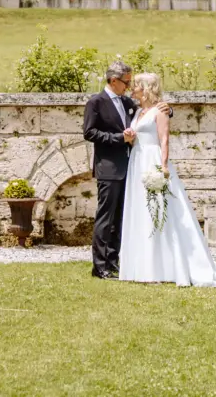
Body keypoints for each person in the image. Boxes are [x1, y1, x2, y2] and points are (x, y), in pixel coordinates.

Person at [119, 73, 216, 287]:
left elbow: (164, 140)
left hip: (152, 160)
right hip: (137, 161)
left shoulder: (159, 111)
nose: (131, 89)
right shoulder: (137, 111)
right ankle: (143, 266)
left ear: (145, 89)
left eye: (135, 86)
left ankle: (165, 266)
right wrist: (129, 138)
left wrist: (162, 166)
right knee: (141, 211)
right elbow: (137, 135)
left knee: (160, 210)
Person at [82, 61, 169, 280]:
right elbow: (90, 133)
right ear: (113, 81)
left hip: (130, 168)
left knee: (120, 219)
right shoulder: (96, 102)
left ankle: (114, 262)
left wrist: (168, 109)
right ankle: (99, 266)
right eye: (126, 82)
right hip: (109, 169)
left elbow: (149, 112)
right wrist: (119, 138)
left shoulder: (127, 102)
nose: (129, 87)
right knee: (105, 218)